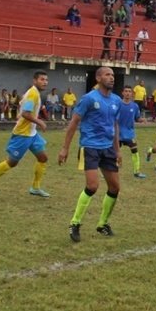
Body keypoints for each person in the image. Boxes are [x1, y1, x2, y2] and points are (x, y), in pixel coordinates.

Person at [58, 67, 123, 243]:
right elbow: (73, 123)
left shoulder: (116, 100)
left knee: (115, 188)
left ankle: (102, 224)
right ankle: (75, 222)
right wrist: (65, 148)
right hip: (90, 147)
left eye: (112, 75)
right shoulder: (89, 99)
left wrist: (117, 150)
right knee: (93, 186)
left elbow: (115, 126)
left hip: (108, 147)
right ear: (98, 77)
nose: (111, 78)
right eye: (107, 75)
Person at [0, 70, 51, 198]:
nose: (45, 82)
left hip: (32, 133)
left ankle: (35, 187)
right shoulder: (33, 93)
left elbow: (23, 106)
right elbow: (26, 113)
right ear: (35, 80)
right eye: (42, 79)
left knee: (43, 158)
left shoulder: (34, 93)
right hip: (23, 133)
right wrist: (40, 122)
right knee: (12, 162)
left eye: (46, 80)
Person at [118, 85, 147, 178]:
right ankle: (109, 171)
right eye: (126, 91)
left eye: (129, 91)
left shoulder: (134, 106)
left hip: (129, 134)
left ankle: (136, 172)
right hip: (117, 134)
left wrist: (141, 120)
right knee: (112, 153)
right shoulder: (118, 104)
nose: (127, 93)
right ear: (122, 93)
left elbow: (137, 118)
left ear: (132, 94)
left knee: (135, 151)